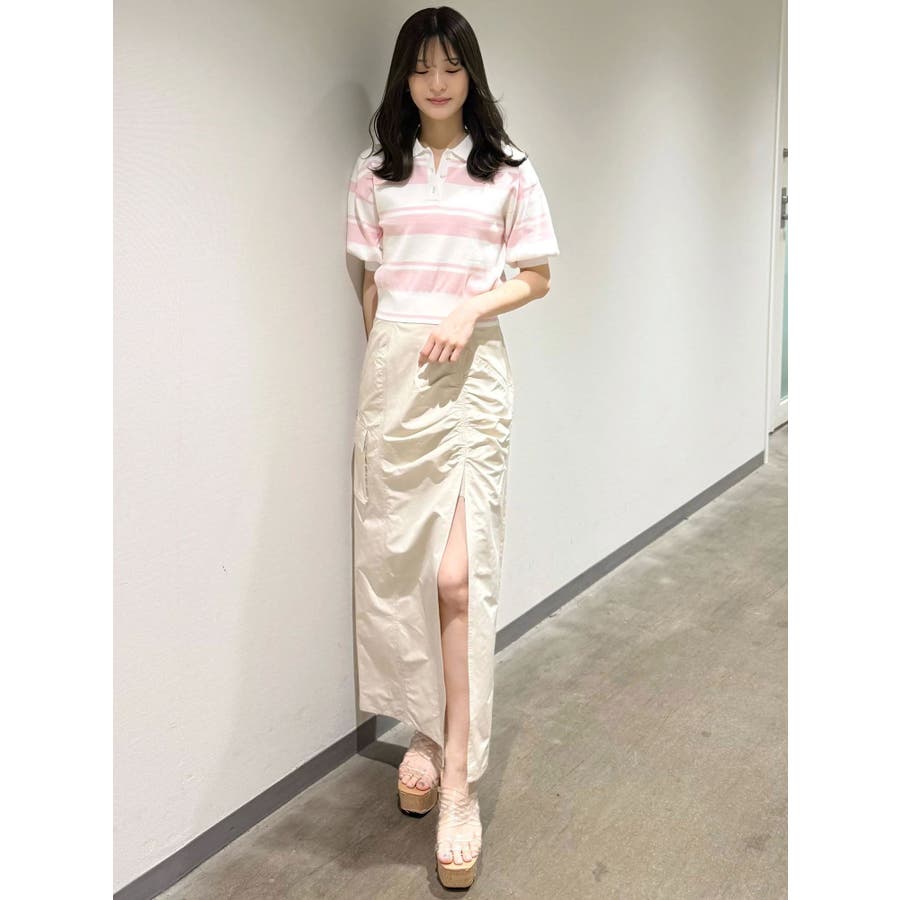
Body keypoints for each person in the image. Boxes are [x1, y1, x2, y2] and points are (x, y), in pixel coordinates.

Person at [346, 6, 559, 889]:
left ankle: (460, 780)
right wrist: (384, 372)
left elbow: (537, 277)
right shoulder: (374, 173)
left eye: (452, 67)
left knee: (458, 577)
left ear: (472, 74)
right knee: (400, 565)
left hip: (471, 380)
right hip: (397, 374)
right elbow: (369, 284)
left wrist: (470, 306)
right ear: (405, 76)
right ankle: (425, 733)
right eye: (422, 67)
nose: (437, 83)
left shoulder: (506, 169)